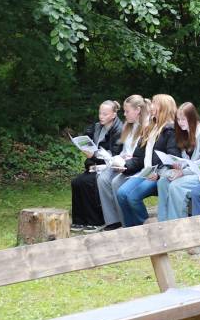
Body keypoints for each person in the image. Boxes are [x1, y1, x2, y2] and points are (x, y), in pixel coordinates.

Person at [116, 94, 179, 228]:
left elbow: (173, 158)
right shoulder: (150, 127)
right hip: (146, 172)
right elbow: (138, 157)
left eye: (154, 103)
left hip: (159, 175)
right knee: (121, 193)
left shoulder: (171, 130)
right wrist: (125, 166)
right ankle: (130, 228)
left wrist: (159, 174)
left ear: (163, 107)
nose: (151, 106)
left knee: (133, 197)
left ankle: (146, 228)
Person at [155, 102, 200, 221]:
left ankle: (177, 223)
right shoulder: (185, 132)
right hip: (188, 172)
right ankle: (162, 222)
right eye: (178, 119)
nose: (180, 122)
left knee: (176, 186)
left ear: (192, 118)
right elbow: (186, 160)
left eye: (183, 119)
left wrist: (183, 172)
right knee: (163, 182)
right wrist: (178, 166)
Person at [70, 99, 124, 231]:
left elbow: (114, 155)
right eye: (100, 113)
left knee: (88, 182)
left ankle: (96, 220)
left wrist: (93, 156)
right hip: (95, 165)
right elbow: (88, 140)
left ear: (114, 115)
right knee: (77, 182)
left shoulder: (119, 130)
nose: (101, 116)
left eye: (105, 114)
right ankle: (79, 220)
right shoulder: (97, 127)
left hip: (109, 167)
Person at [95, 95, 147, 228]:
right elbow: (124, 150)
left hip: (136, 167)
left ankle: (125, 221)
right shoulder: (128, 126)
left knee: (116, 182)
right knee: (102, 179)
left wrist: (126, 160)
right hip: (124, 163)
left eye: (127, 111)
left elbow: (140, 157)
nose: (124, 114)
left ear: (138, 110)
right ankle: (113, 220)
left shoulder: (145, 128)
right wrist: (119, 158)